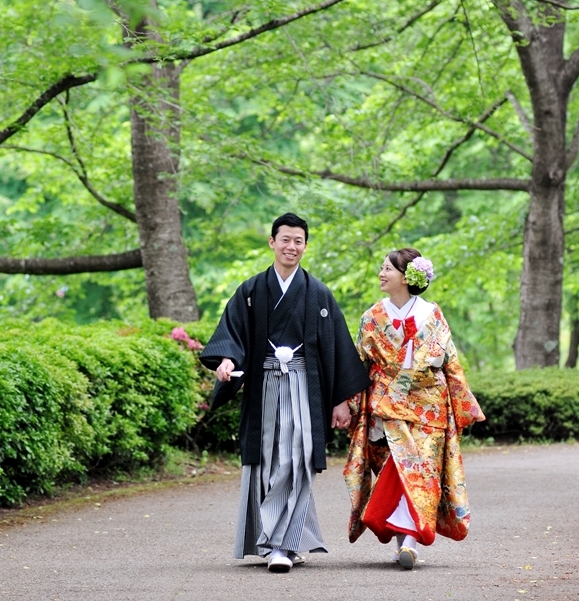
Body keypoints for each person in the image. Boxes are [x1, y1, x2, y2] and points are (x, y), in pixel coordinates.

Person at [200, 212, 371, 573]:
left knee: (297, 459)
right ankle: (274, 541)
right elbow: (232, 333)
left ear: (305, 246)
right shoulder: (251, 291)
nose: (291, 246)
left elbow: (336, 346)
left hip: (302, 385)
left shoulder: (318, 293)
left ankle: (284, 546)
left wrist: (340, 399)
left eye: (298, 241)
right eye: (285, 239)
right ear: (272, 243)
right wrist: (227, 361)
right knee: (264, 462)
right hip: (263, 385)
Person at [343, 248, 485, 569]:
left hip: (428, 405)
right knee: (395, 470)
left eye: (387, 269)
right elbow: (359, 364)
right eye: (381, 268)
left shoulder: (432, 314)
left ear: (407, 278)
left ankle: (410, 543)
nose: (381, 274)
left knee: (422, 471)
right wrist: (351, 407)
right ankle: (401, 542)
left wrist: (464, 404)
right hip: (387, 404)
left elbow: (449, 361)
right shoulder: (372, 317)